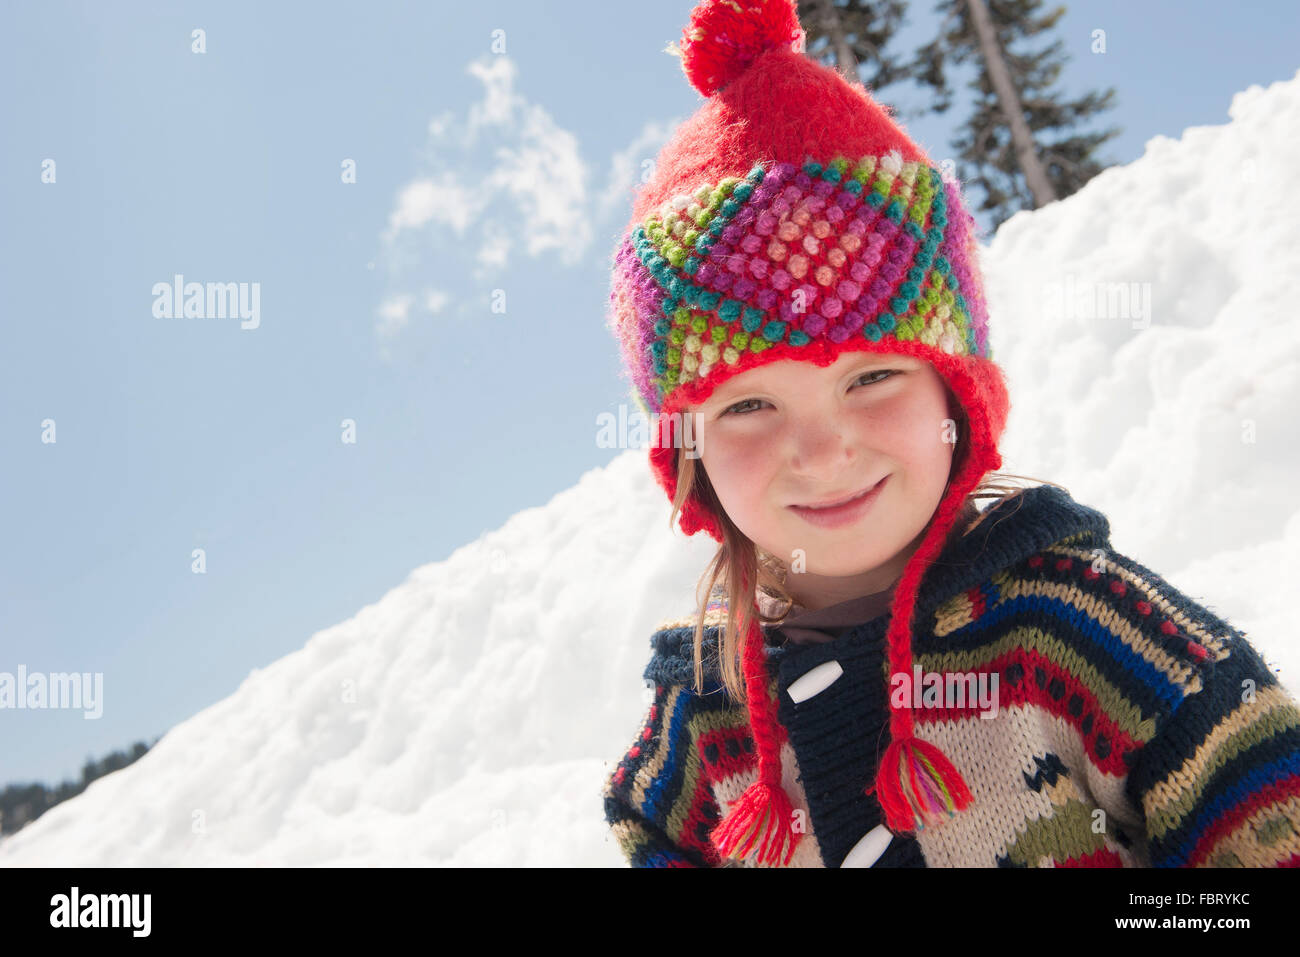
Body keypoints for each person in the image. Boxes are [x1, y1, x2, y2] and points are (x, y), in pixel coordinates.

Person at [601, 0, 1300, 867]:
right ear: (689, 452)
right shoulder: (702, 714)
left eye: (872, 377)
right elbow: (648, 828)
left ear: (956, 396)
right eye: (747, 405)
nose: (822, 451)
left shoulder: (1073, 627)